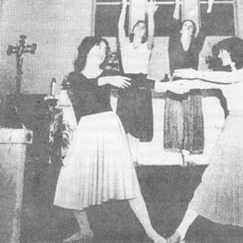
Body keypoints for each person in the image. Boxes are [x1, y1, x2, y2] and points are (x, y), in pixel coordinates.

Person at [53, 36, 185, 243]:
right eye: (98, 48)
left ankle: (152, 233)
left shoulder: (109, 74)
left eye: (105, 49)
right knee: (72, 182)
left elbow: (138, 81)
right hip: (87, 131)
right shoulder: (74, 77)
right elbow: (84, 90)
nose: (102, 52)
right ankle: (85, 230)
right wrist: (105, 80)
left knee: (127, 182)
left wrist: (165, 86)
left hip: (109, 129)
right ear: (86, 50)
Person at [167, 37, 243, 243]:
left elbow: (231, 79)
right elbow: (204, 81)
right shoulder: (226, 75)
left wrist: (195, 73)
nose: (219, 55)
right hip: (235, 129)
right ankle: (181, 231)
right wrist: (184, 82)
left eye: (222, 51)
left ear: (233, 51)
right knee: (212, 179)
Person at [164, 0, 214, 154]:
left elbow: (205, 28)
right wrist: (177, 2)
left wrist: (210, 5)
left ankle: (191, 150)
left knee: (192, 115)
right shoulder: (173, 42)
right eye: (186, 25)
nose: (188, 27)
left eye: (191, 27)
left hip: (192, 81)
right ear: (180, 30)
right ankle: (175, 149)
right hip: (176, 80)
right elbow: (173, 22)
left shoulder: (195, 44)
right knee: (176, 115)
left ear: (193, 32)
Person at [117, 0, 158, 142]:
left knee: (140, 123)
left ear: (145, 32)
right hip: (127, 82)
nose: (141, 27)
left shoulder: (147, 46)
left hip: (141, 84)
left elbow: (153, 31)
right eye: (138, 25)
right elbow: (120, 27)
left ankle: (137, 158)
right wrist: (124, 7)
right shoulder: (125, 45)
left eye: (143, 27)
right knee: (125, 122)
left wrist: (151, 14)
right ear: (133, 30)